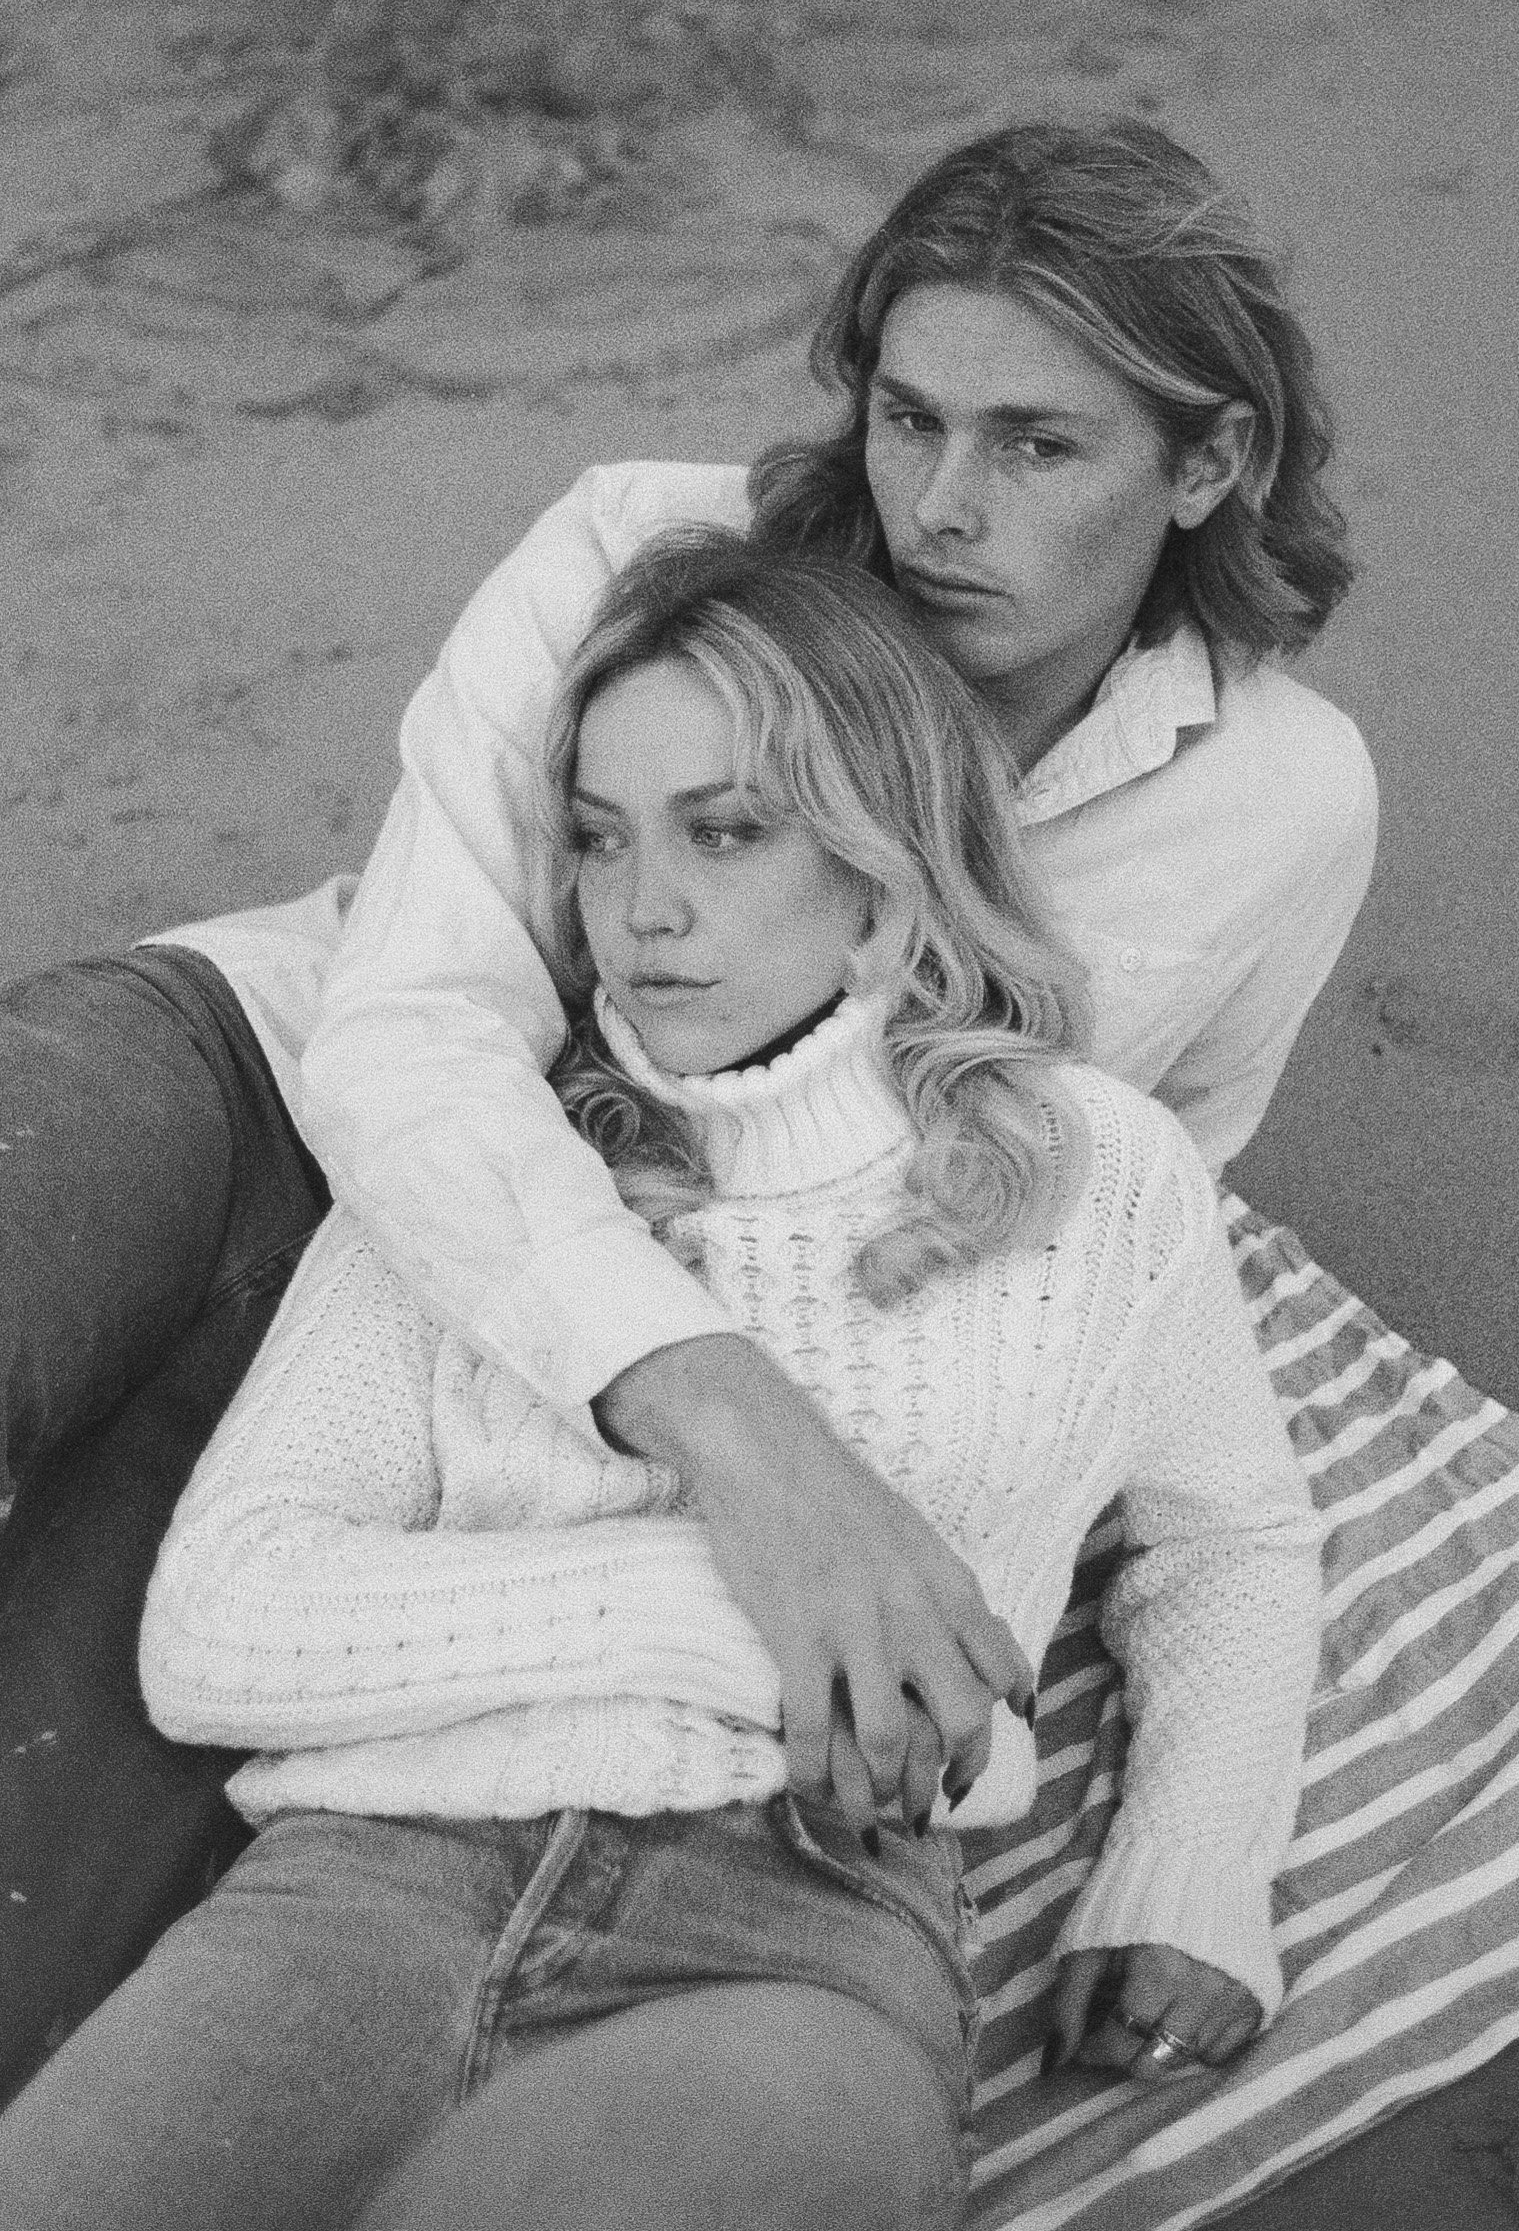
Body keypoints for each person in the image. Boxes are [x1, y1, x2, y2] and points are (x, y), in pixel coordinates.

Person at [0, 114, 1374, 2099]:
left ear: (1209, 459)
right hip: (273, 1085)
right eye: (906, 418)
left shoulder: (1277, 802)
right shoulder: (631, 552)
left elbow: (1116, 1275)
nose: (940, 507)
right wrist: (748, 1437)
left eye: (1035, 444)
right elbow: (412, 1031)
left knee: (53, 1916)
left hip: (479, 1386)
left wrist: (1191, 1842)